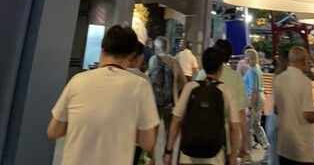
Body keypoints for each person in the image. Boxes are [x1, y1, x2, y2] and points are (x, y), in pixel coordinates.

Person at [47, 25, 159, 165]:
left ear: (103, 51)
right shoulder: (140, 86)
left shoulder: (77, 80)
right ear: (131, 55)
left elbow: (53, 131)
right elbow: (147, 142)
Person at [163, 46, 240, 165]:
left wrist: (169, 151)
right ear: (220, 68)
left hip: (187, 157)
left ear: (203, 66)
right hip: (216, 157)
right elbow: (234, 128)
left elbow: (176, 120)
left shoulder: (190, 88)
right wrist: (233, 156)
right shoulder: (227, 92)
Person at [197, 39, 250, 160]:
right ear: (229, 56)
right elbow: (240, 113)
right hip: (228, 139)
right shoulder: (236, 77)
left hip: (202, 134)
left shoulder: (202, 74)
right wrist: (245, 141)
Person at [273, 46, 314, 165]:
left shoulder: (278, 79)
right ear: (305, 60)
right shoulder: (304, 81)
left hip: (284, 145)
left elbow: (276, 109)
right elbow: (308, 116)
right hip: (301, 147)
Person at [149, 36, 186, 165]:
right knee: (169, 135)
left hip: (155, 103)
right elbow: (183, 81)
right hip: (171, 103)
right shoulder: (174, 61)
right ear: (168, 47)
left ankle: (150, 159)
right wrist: (173, 89)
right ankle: (167, 159)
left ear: (157, 48)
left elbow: (150, 80)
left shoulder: (153, 60)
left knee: (152, 133)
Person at [265, 49, 290, 165]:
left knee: (274, 155)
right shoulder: (285, 79)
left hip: (273, 119)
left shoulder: (277, 77)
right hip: (280, 120)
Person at [243, 47, 269, 151]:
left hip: (254, 98)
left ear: (249, 58)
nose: (244, 58)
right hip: (260, 96)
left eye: (245, 56)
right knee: (256, 124)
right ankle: (265, 144)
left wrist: (250, 106)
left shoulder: (251, 71)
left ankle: (247, 148)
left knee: (248, 125)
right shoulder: (257, 68)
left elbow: (253, 90)